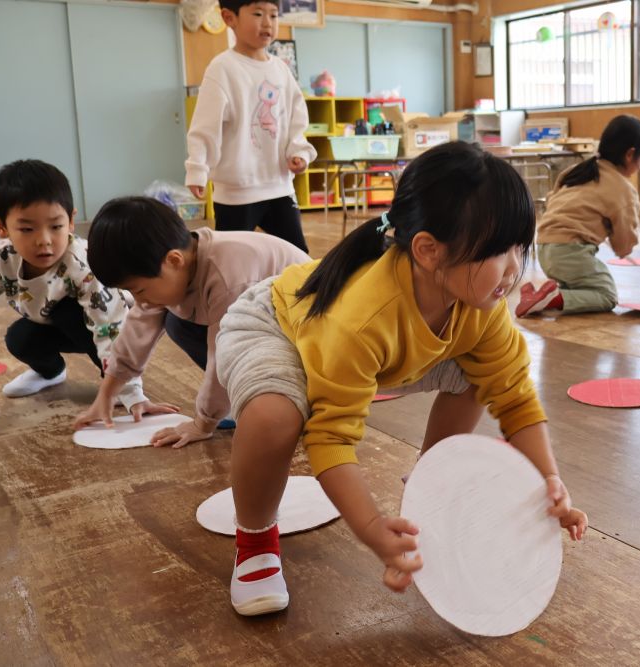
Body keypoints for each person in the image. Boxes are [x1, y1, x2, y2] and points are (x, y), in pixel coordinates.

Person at [214, 142, 588, 616]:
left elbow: (513, 396)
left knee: (482, 374)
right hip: (275, 324)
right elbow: (331, 437)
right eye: (498, 251)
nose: (514, 268)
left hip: (348, 343)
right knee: (274, 416)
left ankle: (431, 478)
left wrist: (551, 479)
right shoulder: (363, 318)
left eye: (519, 247)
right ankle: (254, 541)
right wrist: (373, 529)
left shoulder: (483, 301)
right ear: (429, 250)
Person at [74, 197, 309, 447]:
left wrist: (203, 423)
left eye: (139, 290)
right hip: (267, 323)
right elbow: (137, 329)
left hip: (308, 332)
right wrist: (107, 394)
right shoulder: (174, 262)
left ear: (174, 261)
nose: (139, 300)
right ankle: (239, 395)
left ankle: (293, 394)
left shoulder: (228, 278)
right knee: (177, 321)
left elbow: (224, 354)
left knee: (200, 331)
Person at [0, 160, 146, 407]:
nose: (44, 240)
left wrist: (127, 388)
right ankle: (50, 373)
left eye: (56, 226)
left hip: (109, 323)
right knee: (18, 338)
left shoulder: (83, 265)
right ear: (1, 226)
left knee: (67, 312)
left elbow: (110, 325)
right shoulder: (1, 260)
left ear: (71, 221)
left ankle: (115, 382)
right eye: (27, 229)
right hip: (51, 321)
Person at [185, 0, 316, 253]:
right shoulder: (222, 68)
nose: (267, 23)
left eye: (273, 15)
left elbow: (296, 118)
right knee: (230, 259)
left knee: (297, 255)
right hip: (236, 192)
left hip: (279, 187)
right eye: (257, 14)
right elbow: (205, 125)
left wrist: (299, 151)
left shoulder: (281, 70)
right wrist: (197, 168)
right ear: (229, 18)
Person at [517, 115, 640, 317]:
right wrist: (624, 249)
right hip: (569, 252)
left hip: (543, 246)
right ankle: (554, 298)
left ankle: (542, 296)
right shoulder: (623, 189)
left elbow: (553, 201)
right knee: (606, 294)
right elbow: (624, 240)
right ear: (630, 154)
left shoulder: (577, 170)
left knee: (583, 283)